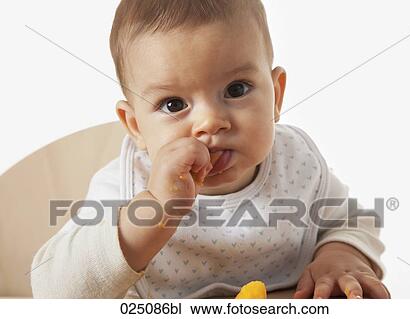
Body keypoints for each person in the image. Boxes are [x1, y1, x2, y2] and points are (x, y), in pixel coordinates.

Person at [31, 0, 390, 299]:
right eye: (173, 104)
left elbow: (351, 220)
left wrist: (340, 253)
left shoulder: (295, 162)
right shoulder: (127, 184)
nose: (211, 121)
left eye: (236, 89)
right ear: (136, 126)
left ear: (276, 95)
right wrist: (146, 219)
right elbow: (51, 288)